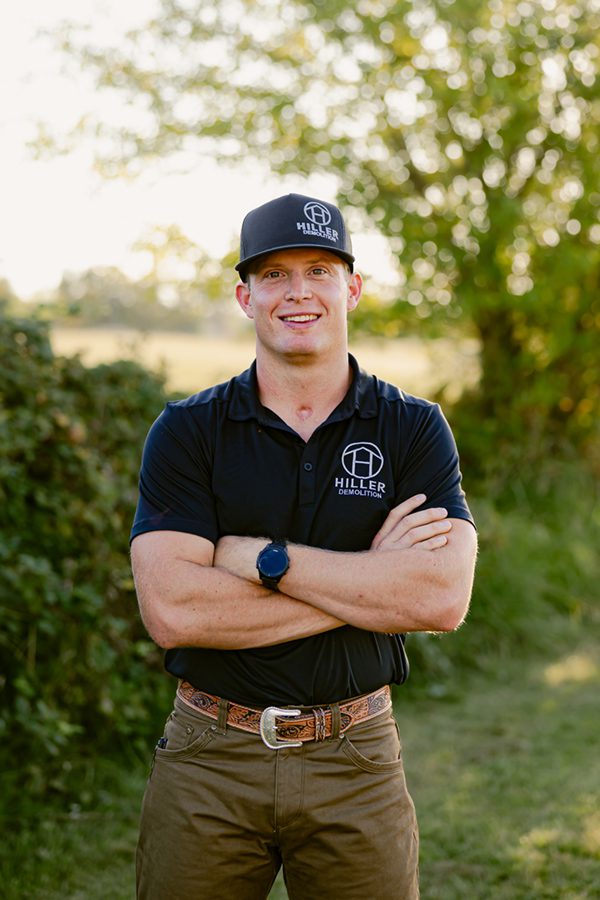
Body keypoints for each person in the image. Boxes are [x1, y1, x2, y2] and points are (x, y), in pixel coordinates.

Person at [130, 192, 477, 900]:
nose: (298, 292)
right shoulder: (189, 430)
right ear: (245, 296)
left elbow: (441, 598)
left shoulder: (413, 427)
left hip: (356, 755)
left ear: (353, 288)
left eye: (319, 270)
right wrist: (375, 583)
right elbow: (173, 610)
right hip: (209, 754)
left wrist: (265, 561)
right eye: (274, 275)